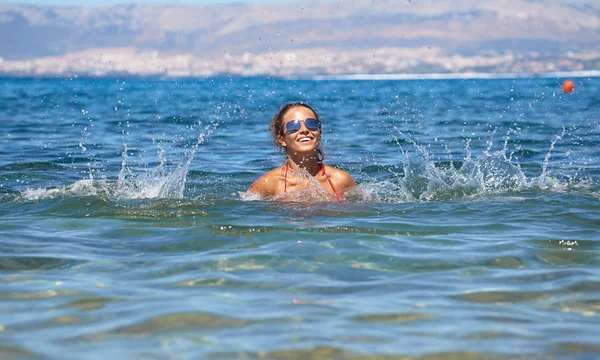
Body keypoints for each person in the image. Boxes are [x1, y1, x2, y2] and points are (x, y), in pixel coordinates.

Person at [248, 102, 356, 201]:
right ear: (282, 139)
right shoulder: (269, 184)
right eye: (293, 126)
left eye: (311, 124)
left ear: (320, 133)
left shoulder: (340, 180)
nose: (304, 130)